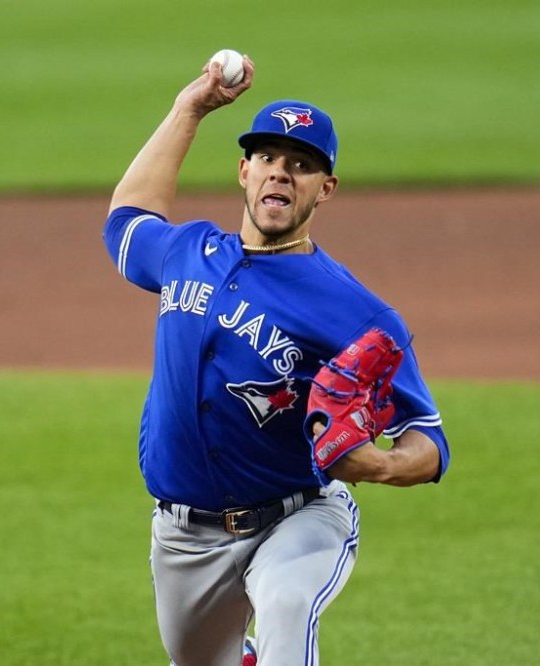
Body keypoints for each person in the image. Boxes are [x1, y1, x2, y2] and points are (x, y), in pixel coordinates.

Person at [102, 54, 450, 666]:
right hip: (184, 535)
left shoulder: (356, 313)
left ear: (326, 187)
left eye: (302, 165)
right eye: (268, 159)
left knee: (288, 608)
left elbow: (428, 438)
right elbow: (127, 221)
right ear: (244, 171)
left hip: (299, 516)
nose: (281, 174)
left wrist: (384, 465)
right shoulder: (188, 252)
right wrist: (190, 108)